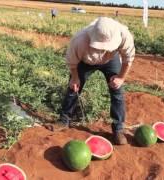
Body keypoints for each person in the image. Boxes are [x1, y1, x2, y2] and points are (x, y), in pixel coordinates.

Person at [55, 17, 135, 145]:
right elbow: (72, 62)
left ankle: (118, 130)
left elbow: (128, 59)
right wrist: (75, 78)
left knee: (117, 91)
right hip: (86, 62)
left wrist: (121, 78)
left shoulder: (124, 35)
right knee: (73, 88)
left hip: (111, 60)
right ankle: (63, 120)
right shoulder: (80, 40)